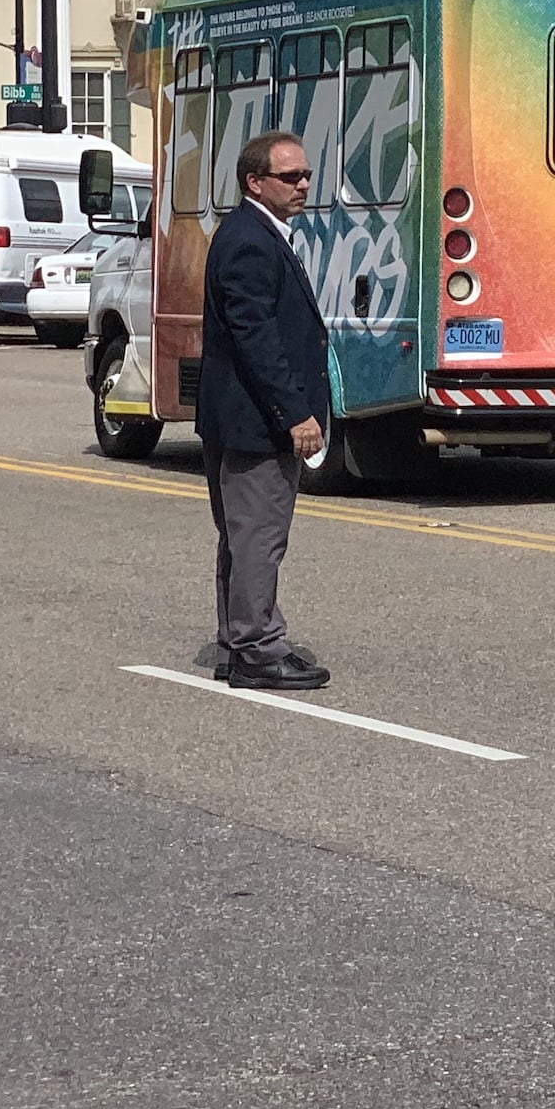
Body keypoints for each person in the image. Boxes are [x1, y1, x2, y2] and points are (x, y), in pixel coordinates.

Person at [199, 128, 334, 691]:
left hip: (244, 416)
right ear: (255, 181)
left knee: (244, 535)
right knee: (257, 535)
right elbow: (256, 337)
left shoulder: (258, 232)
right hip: (255, 422)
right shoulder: (251, 241)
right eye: (291, 176)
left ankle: (245, 640)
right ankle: (256, 650)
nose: (304, 184)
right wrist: (295, 414)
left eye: (306, 174)